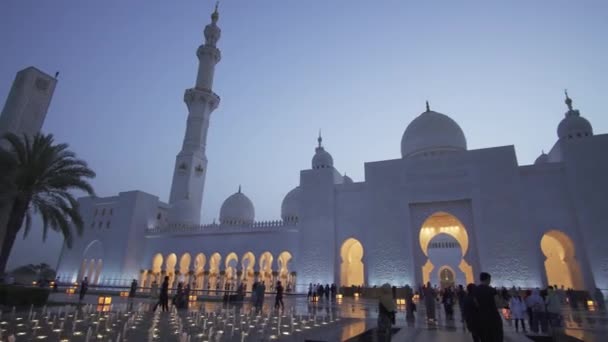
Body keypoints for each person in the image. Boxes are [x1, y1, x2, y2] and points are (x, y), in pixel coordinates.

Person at [475, 272, 503, 342]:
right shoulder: (492, 290)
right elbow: (498, 304)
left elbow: (476, 304)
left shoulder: (475, 290)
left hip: (481, 318)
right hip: (493, 318)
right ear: (487, 279)